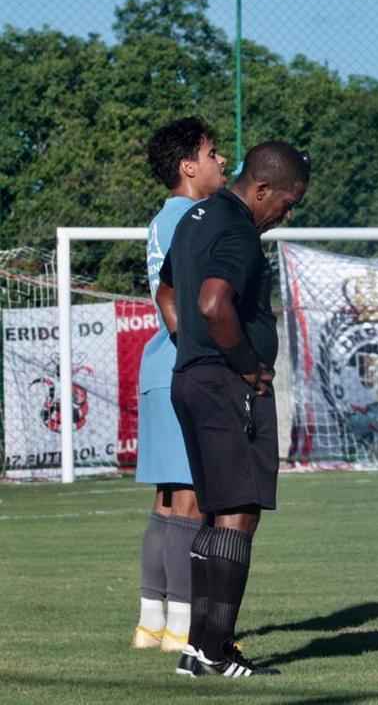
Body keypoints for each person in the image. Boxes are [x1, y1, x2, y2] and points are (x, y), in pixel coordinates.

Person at [156, 141, 309, 678]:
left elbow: (166, 290)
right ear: (262, 189)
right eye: (287, 204)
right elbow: (212, 301)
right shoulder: (239, 228)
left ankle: (200, 650)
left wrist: (188, 344)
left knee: (216, 510)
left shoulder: (194, 218)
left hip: (192, 380)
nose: (285, 215)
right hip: (228, 386)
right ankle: (214, 651)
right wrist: (246, 365)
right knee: (237, 513)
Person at [132, 117, 227, 653]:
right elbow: (196, 306)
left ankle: (152, 623)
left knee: (167, 503)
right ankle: (184, 627)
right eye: (213, 153)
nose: (221, 162)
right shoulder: (195, 217)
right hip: (183, 368)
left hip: (156, 367)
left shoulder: (160, 220)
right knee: (191, 500)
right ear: (188, 166)